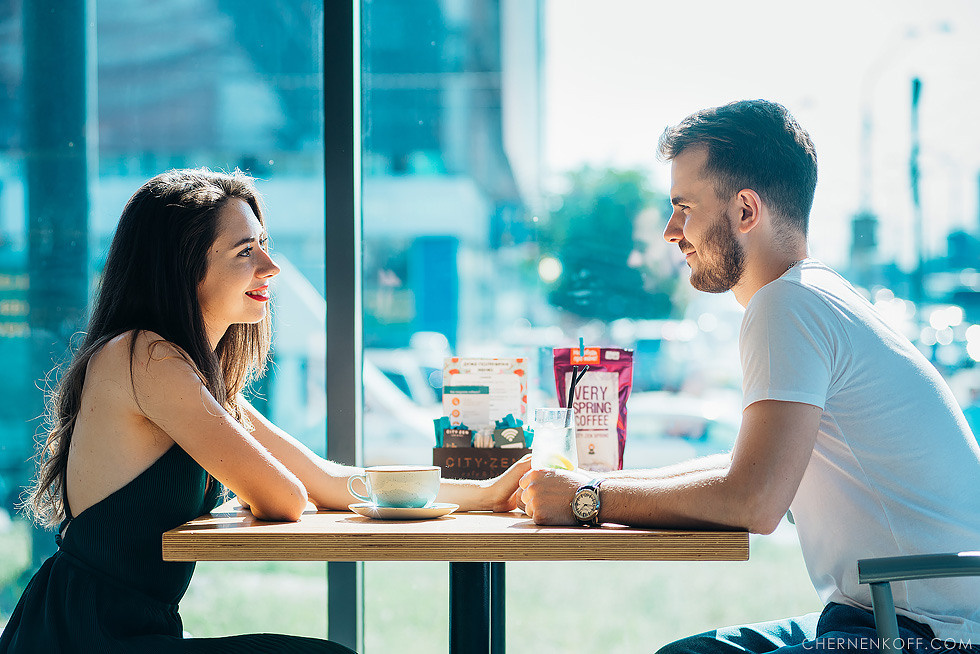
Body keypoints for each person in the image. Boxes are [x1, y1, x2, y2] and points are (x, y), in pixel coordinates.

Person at [0, 169, 528, 653]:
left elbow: (330, 481)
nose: (271, 268)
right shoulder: (145, 357)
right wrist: (266, 493)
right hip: (84, 638)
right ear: (184, 268)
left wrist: (484, 493)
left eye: (264, 246)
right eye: (244, 252)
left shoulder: (194, 378)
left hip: (129, 631)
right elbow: (286, 497)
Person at [519, 100, 980, 652]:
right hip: (886, 616)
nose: (671, 231)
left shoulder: (788, 307)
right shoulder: (815, 295)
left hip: (925, 635)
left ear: (744, 210)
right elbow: (749, 468)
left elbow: (753, 501)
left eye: (684, 207)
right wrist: (581, 489)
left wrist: (586, 500)